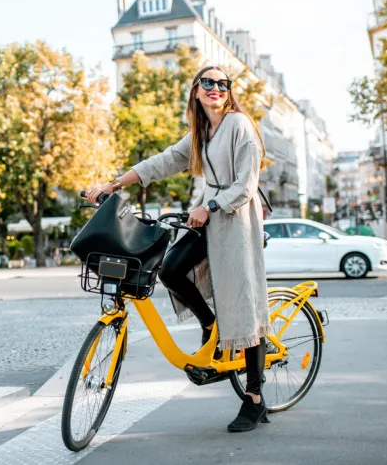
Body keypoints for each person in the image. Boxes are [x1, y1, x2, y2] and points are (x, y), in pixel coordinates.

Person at [85, 66, 271, 433]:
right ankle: (210, 322)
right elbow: (164, 161)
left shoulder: (239, 125)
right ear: (196, 92)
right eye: (208, 83)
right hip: (208, 216)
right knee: (170, 270)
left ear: (228, 91)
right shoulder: (201, 133)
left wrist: (211, 206)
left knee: (242, 303)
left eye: (222, 83)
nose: (216, 88)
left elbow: (247, 184)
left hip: (235, 218)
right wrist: (113, 184)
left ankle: (255, 398)